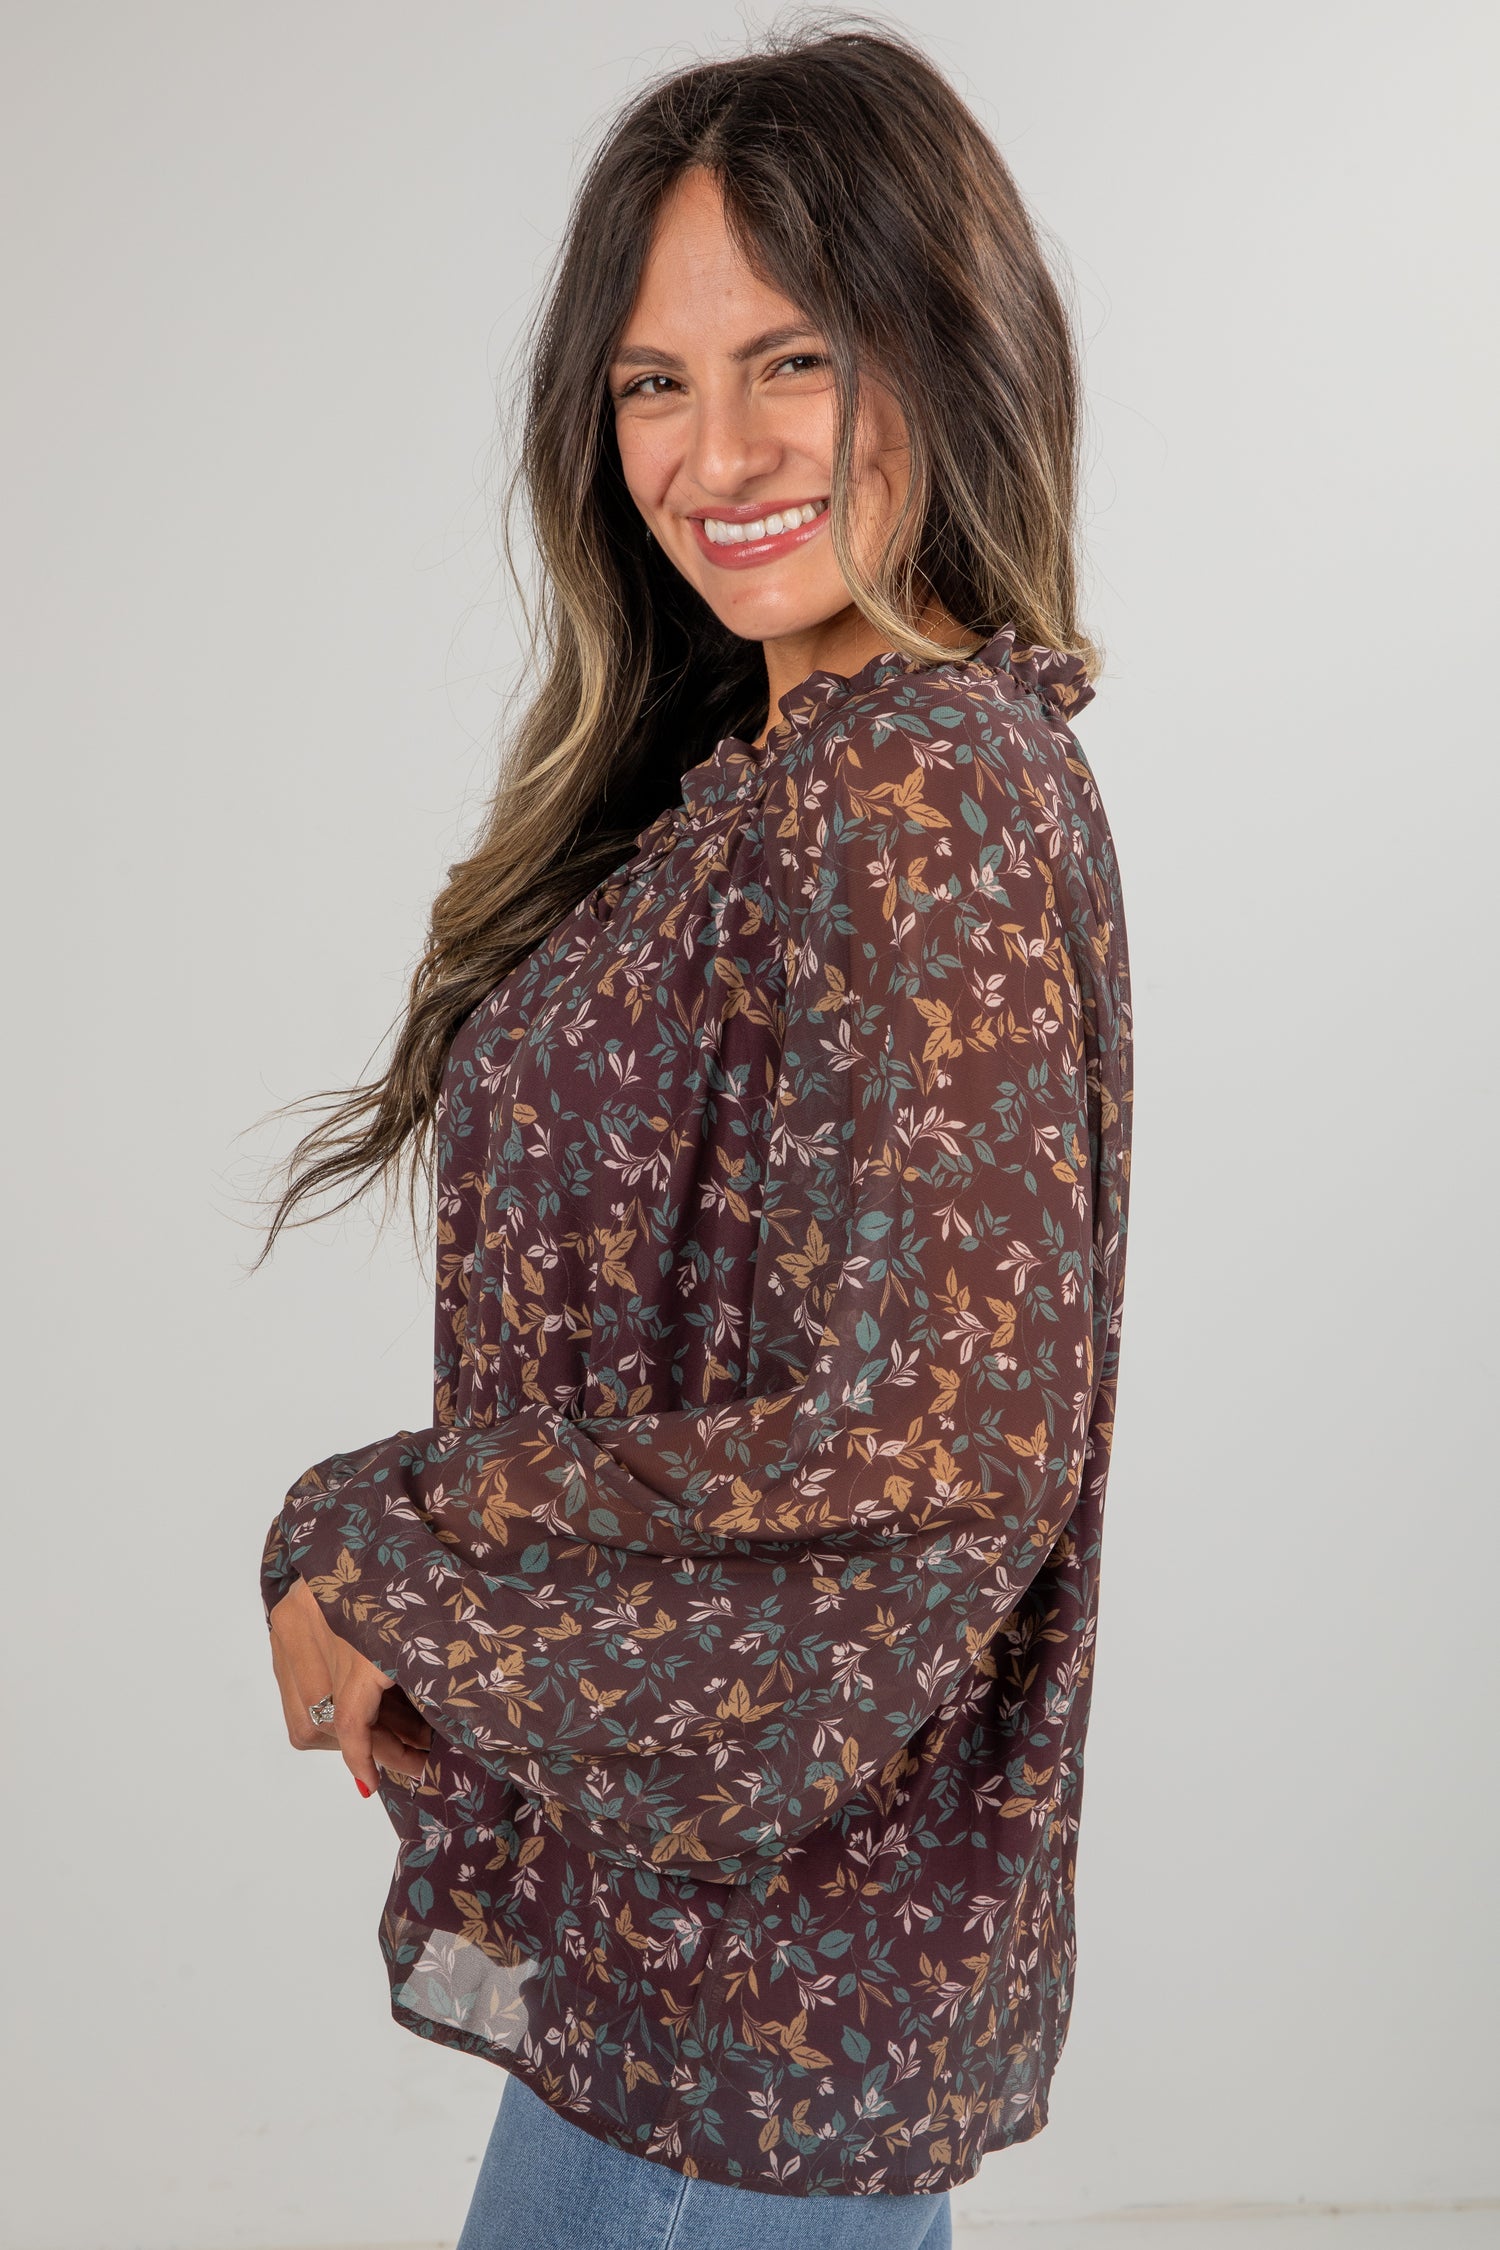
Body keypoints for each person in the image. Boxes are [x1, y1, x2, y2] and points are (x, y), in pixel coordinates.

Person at [258, 24, 1132, 2249]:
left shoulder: (914, 789)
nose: (715, 450)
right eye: (654, 381)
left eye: (794, 361)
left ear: (946, 353)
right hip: (694, 1990)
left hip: (767, 2019)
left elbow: (928, 1463)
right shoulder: (774, 782)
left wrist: (401, 1548)